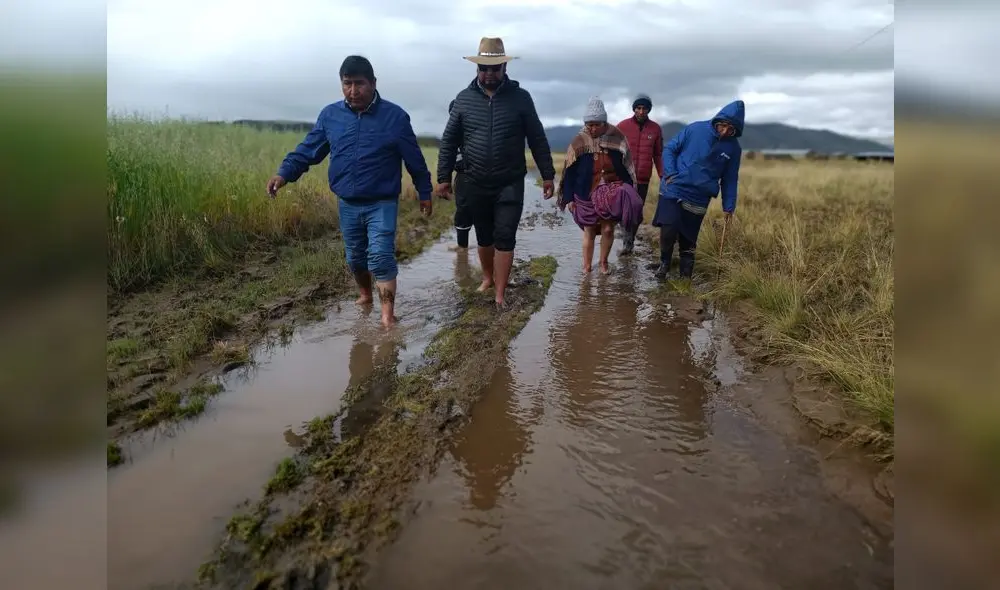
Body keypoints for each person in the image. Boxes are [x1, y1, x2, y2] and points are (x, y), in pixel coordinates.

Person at [266, 55, 434, 328]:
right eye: (347, 84)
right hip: (348, 202)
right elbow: (308, 151)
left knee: (380, 254)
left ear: (373, 83)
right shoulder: (330, 116)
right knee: (355, 256)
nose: (353, 91)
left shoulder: (395, 117)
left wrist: (424, 192)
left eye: (359, 84)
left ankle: (387, 317)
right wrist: (284, 174)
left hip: (382, 201)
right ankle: (365, 295)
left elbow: (415, 160)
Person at [435, 37, 556, 309]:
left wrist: (548, 175)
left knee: (505, 236)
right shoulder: (464, 100)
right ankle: (488, 278)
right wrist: (443, 178)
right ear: (477, 68)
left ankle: (500, 293)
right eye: (484, 68)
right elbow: (449, 140)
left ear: (504, 67)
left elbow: (537, 138)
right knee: (485, 235)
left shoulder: (521, 99)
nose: (489, 73)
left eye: (495, 68)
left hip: (510, 181)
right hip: (476, 180)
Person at [649, 100, 745, 280]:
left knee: (689, 238)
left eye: (730, 129)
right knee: (668, 229)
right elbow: (670, 149)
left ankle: (686, 277)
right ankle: (665, 264)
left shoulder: (733, 149)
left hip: (700, 195)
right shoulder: (694, 129)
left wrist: (729, 206)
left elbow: (730, 178)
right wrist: (669, 173)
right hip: (674, 187)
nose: (724, 131)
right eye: (723, 126)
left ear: (736, 131)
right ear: (718, 120)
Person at [553, 97, 645, 275]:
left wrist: (628, 191)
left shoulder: (617, 137)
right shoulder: (579, 141)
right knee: (589, 229)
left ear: (604, 123)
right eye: (589, 125)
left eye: (596, 124)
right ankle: (586, 267)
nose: (592, 128)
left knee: (608, 228)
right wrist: (569, 197)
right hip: (585, 191)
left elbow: (626, 167)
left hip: (611, 191)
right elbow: (570, 172)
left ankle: (603, 263)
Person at [615, 93, 664, 255]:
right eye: (638, 108)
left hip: (643, 177)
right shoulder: (622, 126)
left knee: (636, 210)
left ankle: (629, 242)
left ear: (649, 110)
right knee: (624, 210)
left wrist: (663, 174)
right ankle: (626, 238)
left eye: (644, 108)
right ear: (634, 109)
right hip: (624, 177)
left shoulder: (655, 129)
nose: (641, 111)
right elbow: (612, 150)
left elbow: (658, 154)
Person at [448, 99, 473, 251]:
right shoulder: (452, 133)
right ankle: (462, 249)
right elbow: (450, 155)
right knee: (463, 210)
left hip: (487, 177)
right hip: (463, 177)